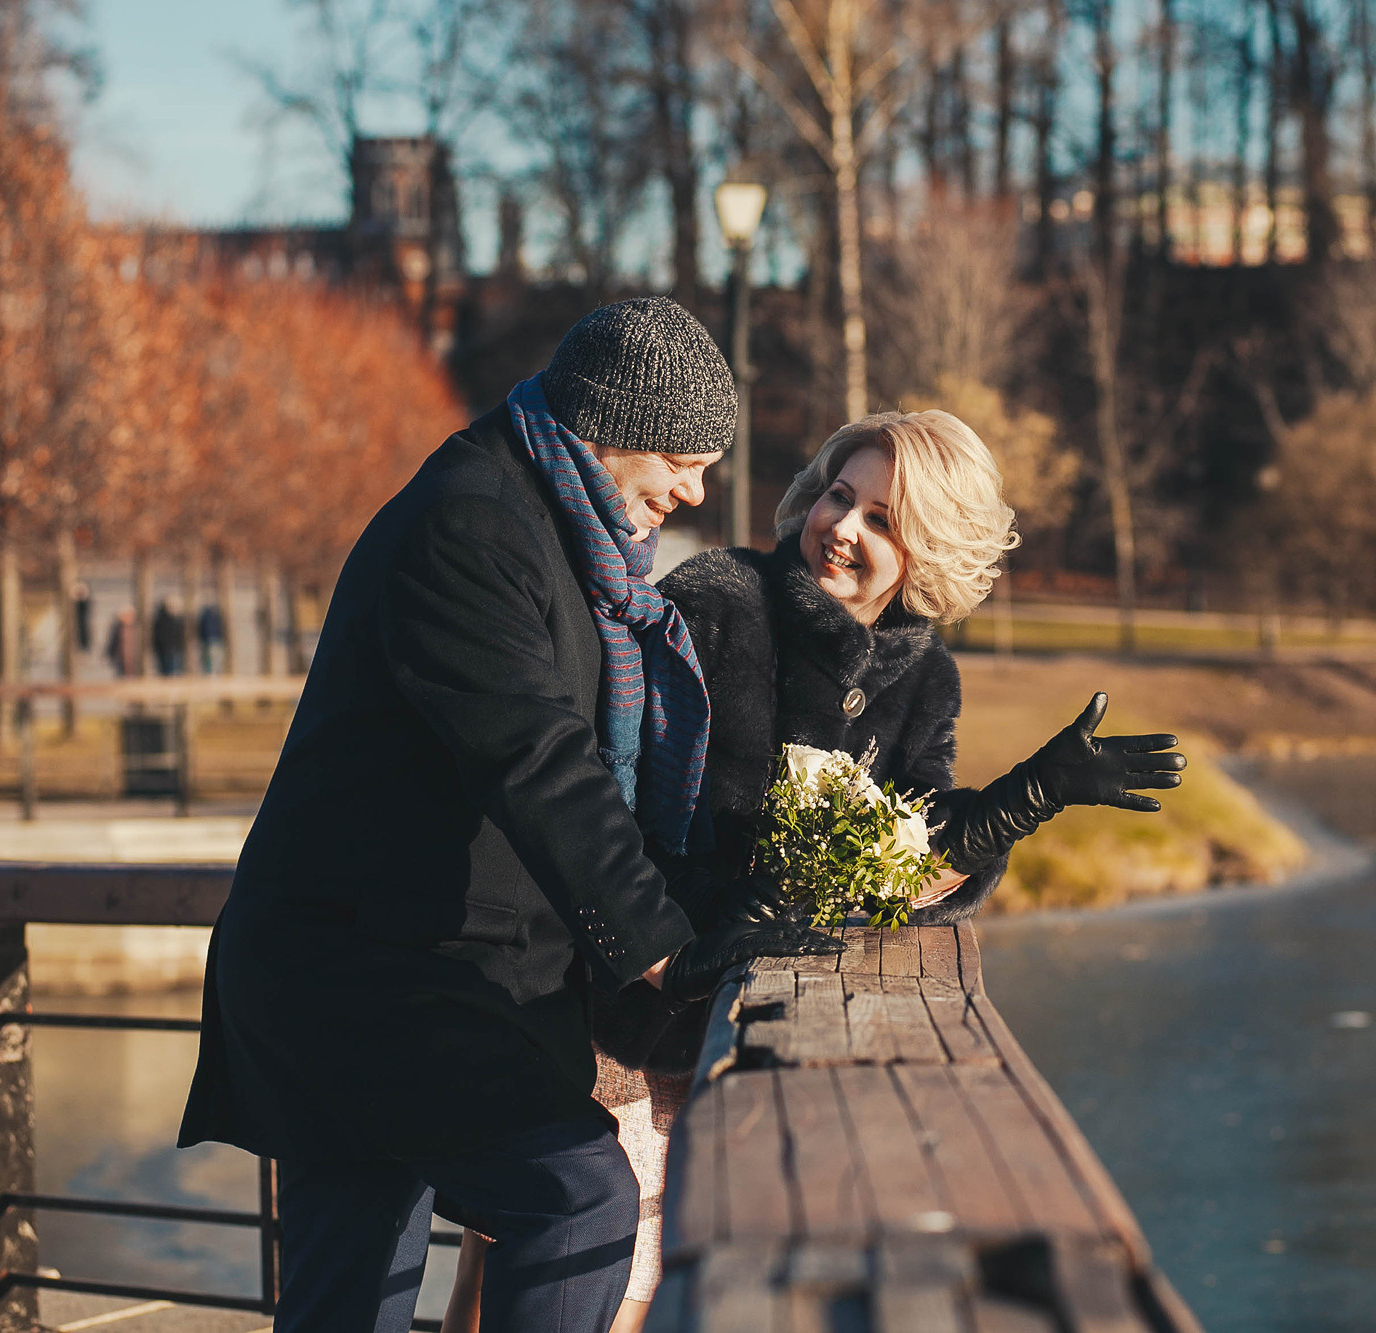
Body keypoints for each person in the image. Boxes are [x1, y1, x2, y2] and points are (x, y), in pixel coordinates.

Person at [177, 297, 841, 1333]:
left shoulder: (561, 534)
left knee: (346, 1294)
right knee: (576, 1202)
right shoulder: (472, 522)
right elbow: (536, 759)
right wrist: (669, 951)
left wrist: (715, 901)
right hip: (362, 984)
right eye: (681, 456)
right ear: (609, 419)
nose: (694, 488)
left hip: (414, 974)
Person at [440, 410, 1187, 1333]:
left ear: (929, 548)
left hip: (731, 1033)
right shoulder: (717, 602)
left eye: (882, 518)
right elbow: (607, 792)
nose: (843, 526)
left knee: (592, 1281)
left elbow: (899, 851)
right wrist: (711, 899)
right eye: (840, 494)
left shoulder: (924, 675)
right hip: (616, 996)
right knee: (567, 1275)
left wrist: (1030, 795)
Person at [104, 605, 139, 678]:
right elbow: (112, 642)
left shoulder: (137, 628)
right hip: (120, 657)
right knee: (121, 675)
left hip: (134, 657)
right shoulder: (117, 628)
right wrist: (109, 654)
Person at [196, 601, 224, 673]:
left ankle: (214, 673)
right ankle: (209, 673)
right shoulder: (206, 616)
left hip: (215, 640)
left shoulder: (217, 616)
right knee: (209, 659)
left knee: (215, 658)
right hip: (209, 640)